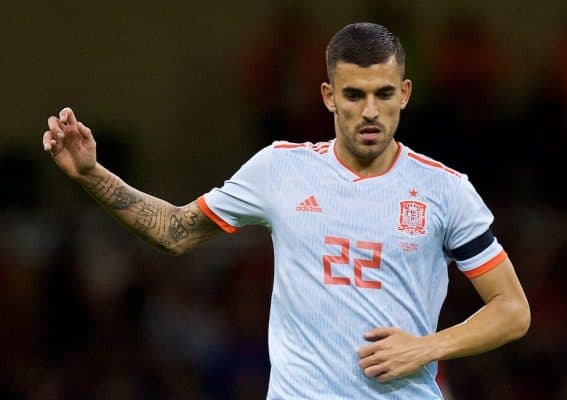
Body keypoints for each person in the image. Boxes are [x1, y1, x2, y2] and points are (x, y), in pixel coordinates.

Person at [42, 22, 530, 399]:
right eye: (354, 95)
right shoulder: (279, 169)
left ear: (404, 93)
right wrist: (91, 174)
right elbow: (175, 230)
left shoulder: (445, 190)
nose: (370, 111)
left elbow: (512, 309)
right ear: (328, 97)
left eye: (384, 94)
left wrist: (427, 346)